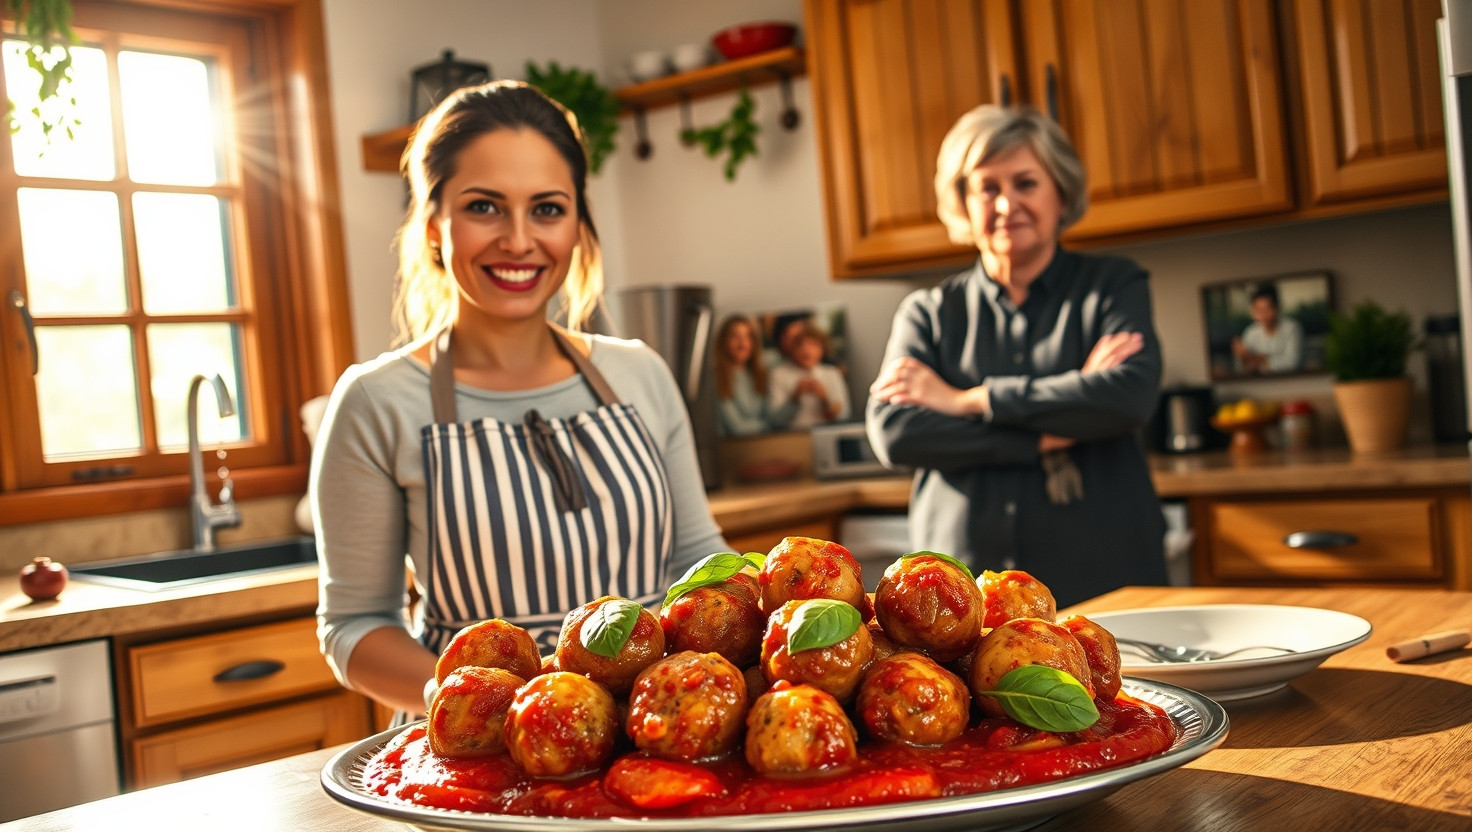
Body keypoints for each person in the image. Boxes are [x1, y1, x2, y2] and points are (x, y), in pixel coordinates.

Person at [311, 81, 729, 719]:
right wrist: (490, 707)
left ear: (577, 225)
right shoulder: (376, 401)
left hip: (650, 727)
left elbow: (699, 562)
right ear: (432, 227)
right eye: (484, 207)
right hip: (473, 755)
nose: (517, 239)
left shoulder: (639, 373)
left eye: (547, 209)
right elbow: (354, 625)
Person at [865, 105, 1166, 608]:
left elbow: (1128, 397)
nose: (1007, 204)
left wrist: (968, 400)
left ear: (1060, 192)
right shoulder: (928, 312)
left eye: (1026, 183)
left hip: (1106, 571)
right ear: (963, 200)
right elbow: (897, 432)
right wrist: (1052, 427)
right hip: (956, 594)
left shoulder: (1114, 286)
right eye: (988, 187)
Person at [714, 314, 796, 436]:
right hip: (731, 448)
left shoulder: (761, 372)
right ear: (723, 341)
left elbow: (773, 419)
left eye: (748, 336)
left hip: (760, 443)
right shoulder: (716, 377)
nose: (742, 343)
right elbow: (735, 427)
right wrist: (767, 427)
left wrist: (795, 399)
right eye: (735, 336)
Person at [768, 320, 851, 430]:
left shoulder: (832, 373)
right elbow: (775, 421)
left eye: (814, 344)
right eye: (800, 345)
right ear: (792, 348)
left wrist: (824, 398)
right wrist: (795, 397)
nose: (806, 350)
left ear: (822, 348)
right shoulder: (778, 374)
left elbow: (843, 416)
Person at [1232, 283, 1303, 374]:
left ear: (1277, 308)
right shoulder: (1250, 332)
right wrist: (1242, 356)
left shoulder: (1292, 328)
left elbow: (1292, 364)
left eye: (1267, 310)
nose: (1262, 316)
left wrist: (1261, 359)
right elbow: (1246, 366)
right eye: (1258, 310)